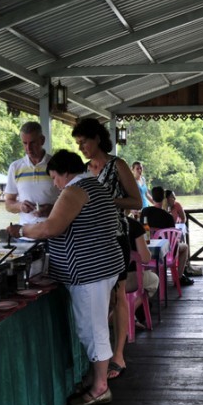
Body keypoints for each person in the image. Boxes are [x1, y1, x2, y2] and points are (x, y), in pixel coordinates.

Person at [5, 150, 123, 405]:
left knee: (93, 329)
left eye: (54, 178)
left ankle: (101, 387)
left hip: (90, 271)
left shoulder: (74, 190)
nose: (55, 184)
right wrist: (52, 209)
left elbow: (51, 228)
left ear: (65, 172)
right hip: (102, 266)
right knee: (95, 325)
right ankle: (96, 378)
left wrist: (21, 230)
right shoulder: (93, 184)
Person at [72, 118, 141, 380]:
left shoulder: (117, 165)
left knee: (118, 294)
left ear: (97, 138)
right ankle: (98, 353)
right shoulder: (82, 170)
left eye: (84, 142)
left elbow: (137, 202)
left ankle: (119, 356)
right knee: (98, 298)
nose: (81, 148)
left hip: (116, 236)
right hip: (90, 241)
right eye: (78, 143)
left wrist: (106, 200)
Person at [4, 121, 59, 227]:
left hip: (55, 232)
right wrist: (20, 206)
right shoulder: (15, 167)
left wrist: (52, 209)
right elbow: (8, 204)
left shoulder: (57, 164)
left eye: (32, 142)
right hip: (26, 234)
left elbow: (70, 199)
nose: (28, 148)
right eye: (25, 143)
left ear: (42, 140)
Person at [143, 186, 194, 286]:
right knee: (184, 247)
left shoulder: (145, 212)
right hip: (166, 253)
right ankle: (178, 278)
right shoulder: (168, 217)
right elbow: (173, 238)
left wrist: (150, 242)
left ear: (152, 198)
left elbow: (144, 231)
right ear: (163, 198)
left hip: (148, 250)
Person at [125, 216, 159, 325]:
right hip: (130, 280)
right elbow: (145, 258)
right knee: (154, 279)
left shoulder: (98, 223)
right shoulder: (133, 225)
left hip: (104, 281)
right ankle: (127, 313)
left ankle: (122, 314)